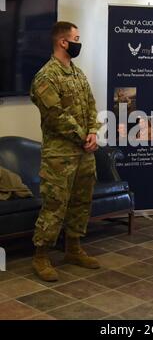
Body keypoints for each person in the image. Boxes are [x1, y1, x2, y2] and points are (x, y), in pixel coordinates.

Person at [30, 21, 100, 282]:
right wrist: (84, 136)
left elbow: (91, 105)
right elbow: (55, 116)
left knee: (81, 202)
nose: (79, 42)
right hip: (59, 156)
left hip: (84, 153)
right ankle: (41, 256)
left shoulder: (78, 73)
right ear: (63, 42)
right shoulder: (46, 76)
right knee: (54, 206)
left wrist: (93, 131)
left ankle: (74, 249)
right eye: (76, 38)